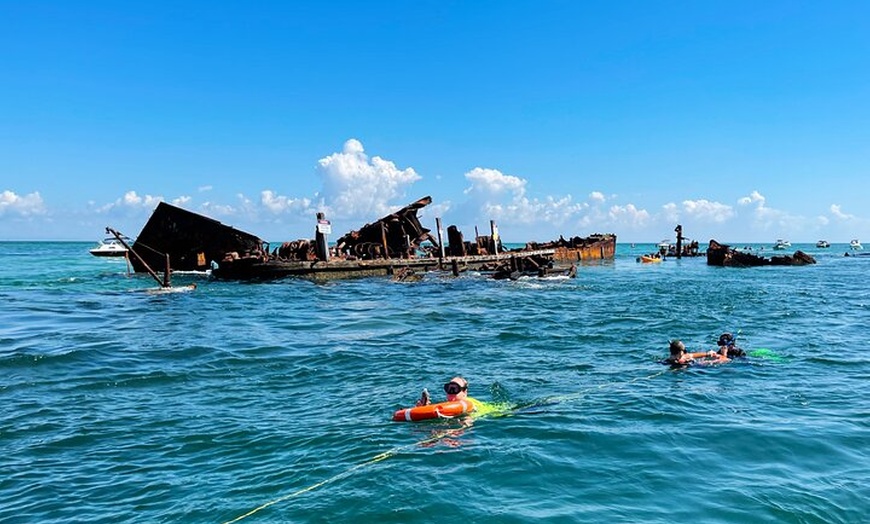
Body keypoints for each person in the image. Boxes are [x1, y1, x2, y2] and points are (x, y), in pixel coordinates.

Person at [416, 376, 484, 412]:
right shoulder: (445, 404)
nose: (451, 392)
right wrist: (423, 409)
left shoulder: (469, 404)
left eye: (455, 389)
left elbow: (468, 425)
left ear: (464, 392)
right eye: (448, 388)